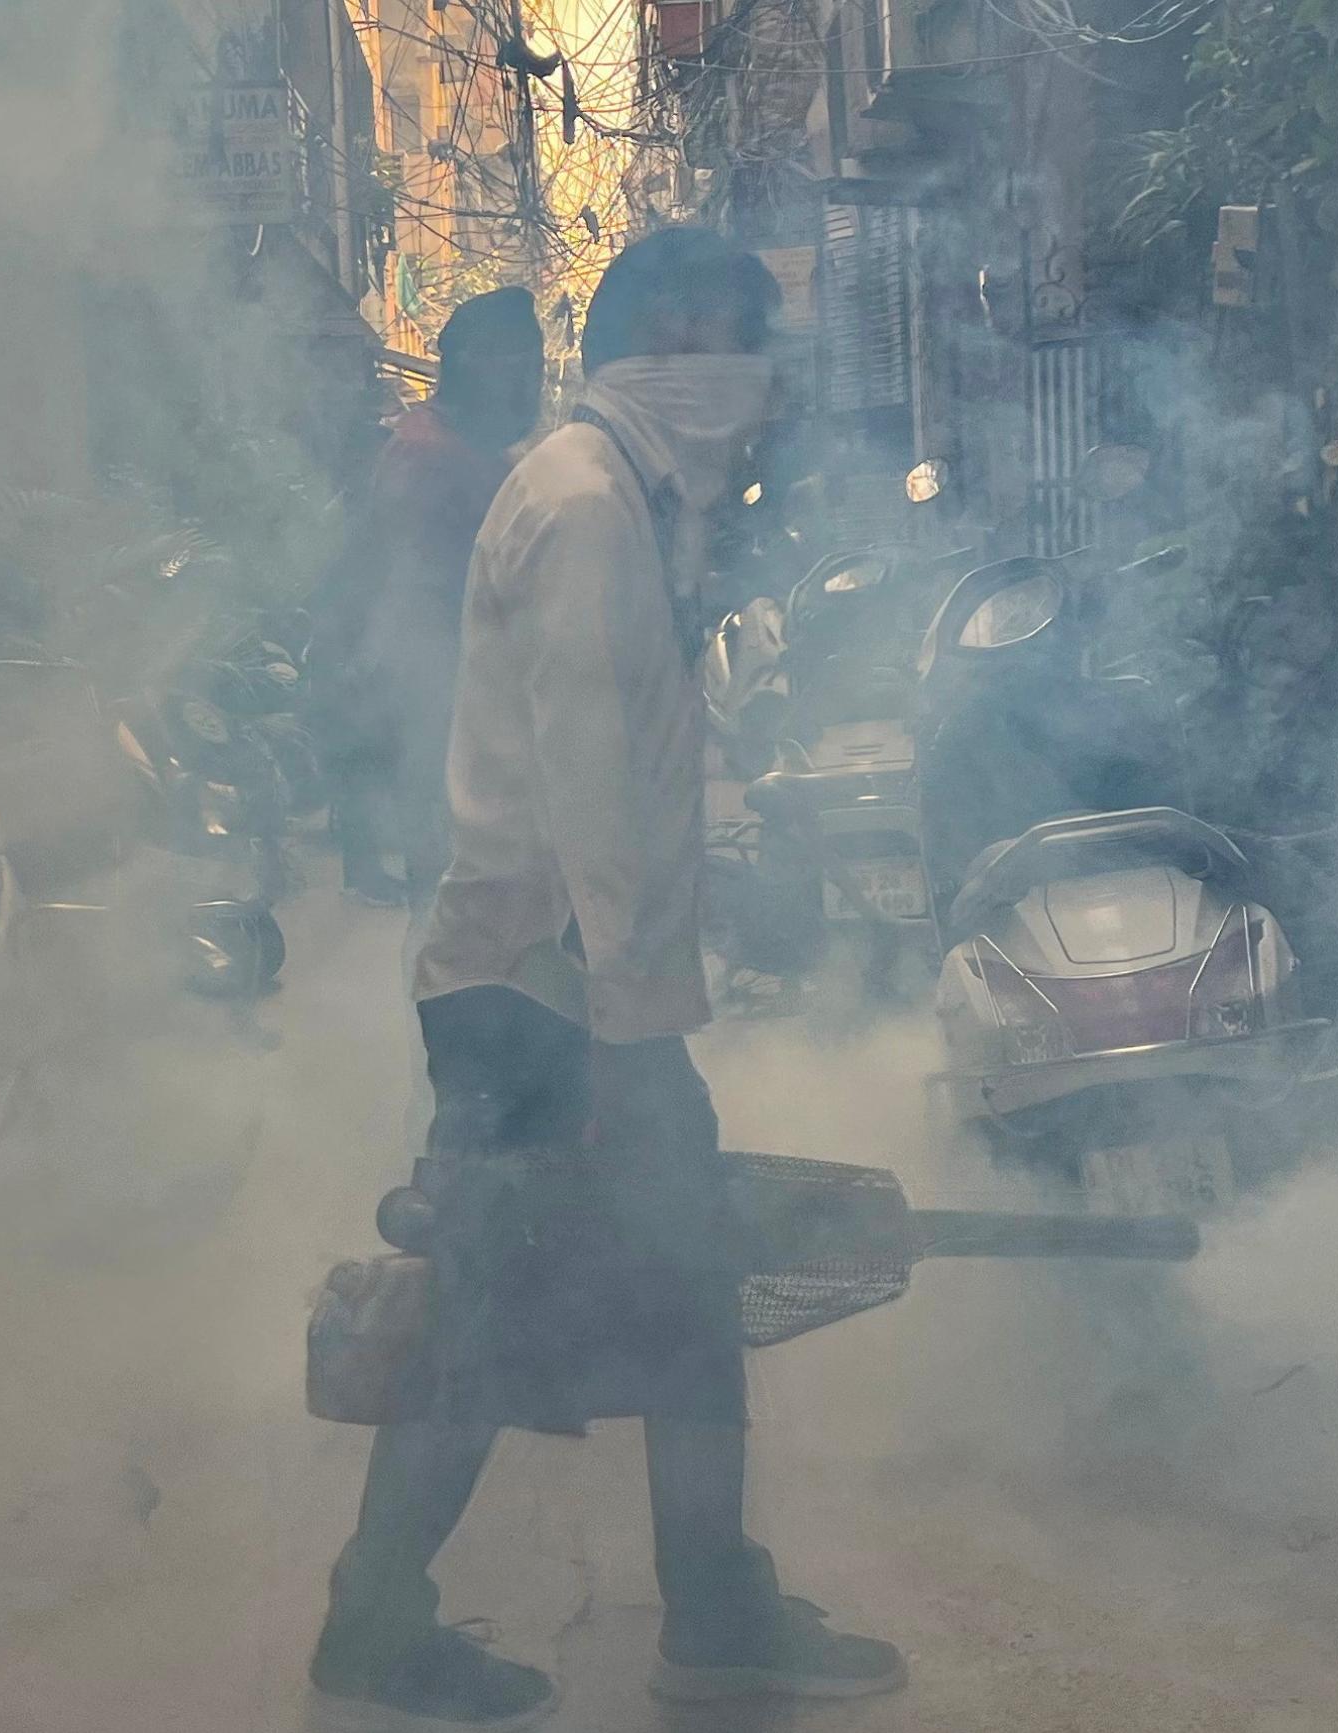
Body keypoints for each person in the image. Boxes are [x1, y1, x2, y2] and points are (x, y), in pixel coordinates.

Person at [308, 229, 904, 1728]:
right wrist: (632, 1040)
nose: (744, 375)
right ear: (651, 348)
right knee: (494, 1319)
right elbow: (582, 777)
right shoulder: (582, 507)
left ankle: (711, 1601)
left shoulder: (625, 500)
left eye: (749, 340)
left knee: (684, 1285)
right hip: (549, 995)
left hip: (564, 985)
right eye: (721, 339)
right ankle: (381, 1621)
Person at [314, 288, 545, 907]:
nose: (534, 376)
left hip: (465, 676)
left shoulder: (474, 448)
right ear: (476, 365)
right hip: (434, 677)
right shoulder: (425, 453)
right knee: (447, 863)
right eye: (519, 360)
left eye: (535, 358)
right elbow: (412, 582)